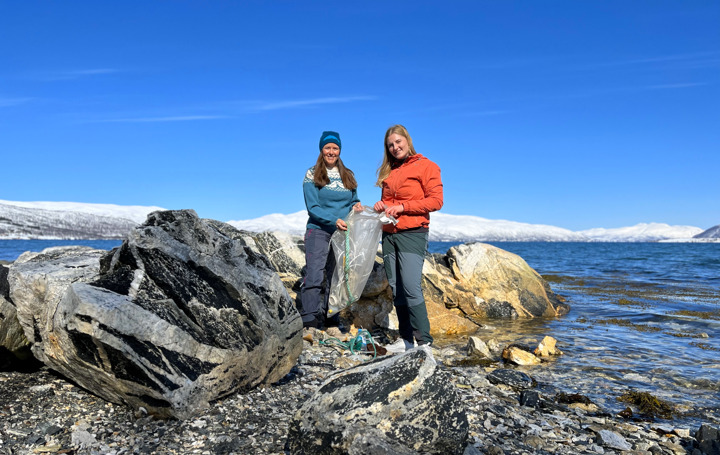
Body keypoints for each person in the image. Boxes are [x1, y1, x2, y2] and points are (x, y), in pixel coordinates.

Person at [373, 124, 443, 353]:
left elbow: (436, 201)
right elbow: (388, 204)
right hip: (389, 234)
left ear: (407, 141)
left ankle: (424, 342)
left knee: (411, 287)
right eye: (390, 145)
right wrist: (382, 206)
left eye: (398, 142)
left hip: (413, 233)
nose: (395, 147)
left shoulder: (427, 166)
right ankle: (406, 340)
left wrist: (403, 207)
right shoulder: (389, 171)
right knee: (396, 287)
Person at [301, 131, 362, 329]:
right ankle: (309, 320)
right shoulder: (312, 173)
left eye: (335, 148)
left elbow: (353, 200)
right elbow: (313, 207)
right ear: (321, 150)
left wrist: (356, 206)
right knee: (314, 274)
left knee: (336, 277)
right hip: (318, 230)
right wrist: (334, 220)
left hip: (341, 232)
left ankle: (331, 318)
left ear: (339, 150)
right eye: (327, 147)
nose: (331, 152)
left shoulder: (348, 174)